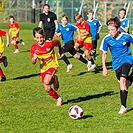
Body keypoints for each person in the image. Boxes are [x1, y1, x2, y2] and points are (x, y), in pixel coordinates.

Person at [100, 17, 133, 114]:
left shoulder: (126, 36)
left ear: (118, 29)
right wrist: (104, 68)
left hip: (127, 60)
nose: (110, 32)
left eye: (112, 30)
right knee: (124, 84)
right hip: (116, 64)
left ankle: (123, 107)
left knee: (122, 81)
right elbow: (104, 54)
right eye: (109, 30)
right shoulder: (107, 39)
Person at [30, 27, 63, 106]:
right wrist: (34, 59)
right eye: (37, 38)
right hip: (43, 68)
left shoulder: (49, 43)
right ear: (34, 38)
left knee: (46, 81)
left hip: (52, 65)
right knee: (47, 88)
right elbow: (33, 62)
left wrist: (60, 50)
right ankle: (59, 98)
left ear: (43, 36)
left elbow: (58, 42)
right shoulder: (33, 48)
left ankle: (53, 79)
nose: (40, 39)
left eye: (41, 37)